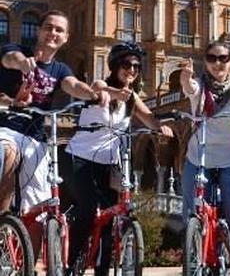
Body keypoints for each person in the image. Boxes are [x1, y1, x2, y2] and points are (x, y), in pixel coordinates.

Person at [0, 10, 109, 258]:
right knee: (7, 152)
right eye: (48, 27)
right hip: (6, 128)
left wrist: (93, 93)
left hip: (36, 138)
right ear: (38, 31)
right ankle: (2, 223)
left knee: (40, 210)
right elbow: (9, 59)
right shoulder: (16, 49)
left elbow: (73, 85)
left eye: (59, 30)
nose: (53, 33)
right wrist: (22, 63)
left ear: (66, 38)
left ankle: (29, 264)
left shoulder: (60, 69)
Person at [63, 42, 173, 275]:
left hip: (109, 165)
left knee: (111, 218)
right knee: (89, 209)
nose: (131, 70)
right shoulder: (102, 85)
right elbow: (96, 89)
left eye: (136, 66)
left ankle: (102, 270)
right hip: (79, 159)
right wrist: (110, 94)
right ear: (114, 66)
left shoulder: (131, 97)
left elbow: (151, 119)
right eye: (126, 64)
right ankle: (71, 266)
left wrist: (162, 127)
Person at [179, 40, 230, 276]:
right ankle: (194, 267)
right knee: (191, 216)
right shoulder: (200, 86)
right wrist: (184, 76)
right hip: (198, 158)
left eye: (223, 58)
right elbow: (189, 87)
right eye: (212, 58)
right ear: (205, 62)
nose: (217, 63)